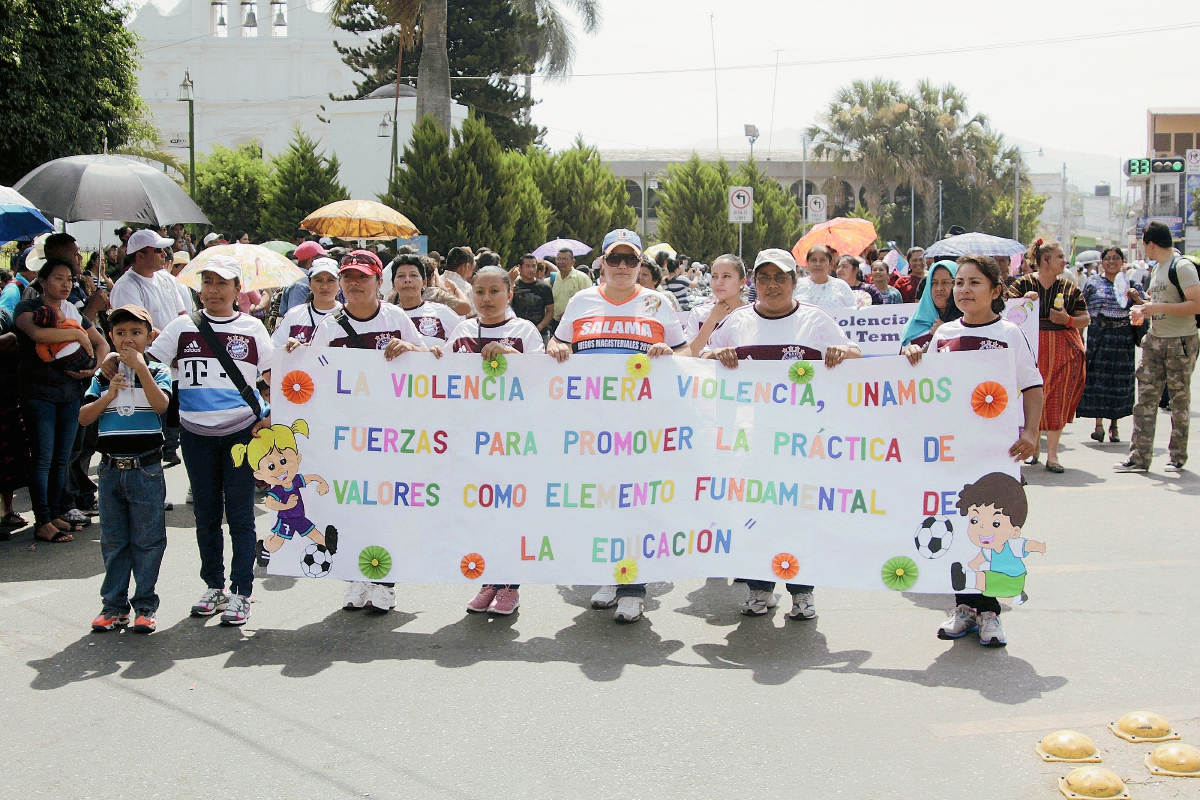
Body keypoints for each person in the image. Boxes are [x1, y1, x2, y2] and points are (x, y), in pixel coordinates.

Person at [701, 248, 861, 619]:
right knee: (757, 515)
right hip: (751, 441)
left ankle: (802, 594)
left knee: (799, 517)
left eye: (781, 278)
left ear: (794, 281)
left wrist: (841, 351)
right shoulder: (738, 321)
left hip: (802, 443)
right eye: (765, 278)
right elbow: (703, 359)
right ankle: (760, 590)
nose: (773, 285)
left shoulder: (814, 320)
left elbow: (854, 355)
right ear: (754, 282)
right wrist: (717, 358)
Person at [902, 254, 1044, 648]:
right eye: (958, 283)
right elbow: (927, 386)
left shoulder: (1010, 334)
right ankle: (964, 608)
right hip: (952, 452)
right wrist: (915, 356)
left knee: (993, 530)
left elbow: (1032, 385)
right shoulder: (943, 333)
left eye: (974, 283)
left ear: (996, 291)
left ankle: (991, 612)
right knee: (956, 527)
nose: (963, 290)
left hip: (997, 451)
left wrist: (1031, 432)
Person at [549, 228, 687, 623]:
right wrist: (557, 347)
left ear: (641, 265)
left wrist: (669, 353)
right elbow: (559, 344)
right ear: (602, 264)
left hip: (643, 427)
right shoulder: (581, 301)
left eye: (631, 259)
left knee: (636, 505)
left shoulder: (658, 304)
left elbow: (686, 352)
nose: (623, 267)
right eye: (615, 259)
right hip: (592, 426)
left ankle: (633, 587)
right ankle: (609, 576)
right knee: (603, 502)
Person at [143, 254, 273, 626]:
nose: (213, 291)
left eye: (222, 284)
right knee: (205, 516)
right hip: (195, 436)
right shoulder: (182, 326)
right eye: (208, 283)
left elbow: (275, 376)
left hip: (240, 434)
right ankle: (213, 586)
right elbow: (150, 363)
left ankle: (242, 592)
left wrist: (270, 415)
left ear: (237, 290)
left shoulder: (252, 328)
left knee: (241, 515)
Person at [305, 250, 426, 613]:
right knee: (350, 506)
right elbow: (313, 374)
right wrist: (296, 352)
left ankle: (384, 581)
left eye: (362, 277)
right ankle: (356, 576)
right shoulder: (328, 326)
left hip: (389, 433)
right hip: (348, 434)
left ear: (378, 282)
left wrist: (411, 347)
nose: (353, 284)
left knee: (384, 508)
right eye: (348, 277)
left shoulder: (396, 317)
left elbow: (430, 356)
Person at [442, 266, 545, 616]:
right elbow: (437, 373)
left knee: (511, 514)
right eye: (480, 292)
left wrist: (511, 355)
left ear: (509, 294)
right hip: (471, 440)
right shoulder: (463, 331)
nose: (486, 299)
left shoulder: (524, 331)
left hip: (514, 442)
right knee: (480, 513)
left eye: (494, 292)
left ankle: (510, 586)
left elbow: (543, 378)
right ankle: (488, 581)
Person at [81, 305, 172, 634]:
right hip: (109, 469)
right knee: (114, 540)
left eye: (136, 333)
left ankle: (145, 605)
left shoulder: (158, 370)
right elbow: (84, 416)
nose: (128, 339)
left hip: (146, 467)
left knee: (148, 541)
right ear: (111, 336)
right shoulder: (103, 373)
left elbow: (162, 405)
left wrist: (141, 370)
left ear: (148, 337)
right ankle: (113, 605)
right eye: (121, 333)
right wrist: (110, 393)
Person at [14, 260, 109, 544]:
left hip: (70, 394)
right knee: (42, 458)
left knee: (61, 458)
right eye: (58, 278)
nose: (66, 284)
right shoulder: (27, 309)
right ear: (43, 282)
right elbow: (38, 334)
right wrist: (78, 334)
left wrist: (93, 369)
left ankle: (55, 514)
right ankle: (42, 520)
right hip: (38, 393)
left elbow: (102, 344)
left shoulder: (73, 312)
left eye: (70, 279)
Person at [1116, 221, 1200, 473]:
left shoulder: (1181, 266)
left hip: (1180, 341)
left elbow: (1196, 304)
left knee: (1178, 401)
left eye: (1144, 245)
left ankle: (1177, 456)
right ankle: (1139, 457)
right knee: (1145, 400)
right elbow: (1161, 301)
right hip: (1155, 339)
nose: (1145, 250)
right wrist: (1143, 308)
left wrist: (1157, 308)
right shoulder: (1158, 268)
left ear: (1150, 243)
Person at [1008, 239, 1089, 473]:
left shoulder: (1070, 288)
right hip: (1029, 346)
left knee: (1058, 400)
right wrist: (1023, 302)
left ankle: (1053, 456)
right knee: (1030, 396)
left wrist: (1068, 321)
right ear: (1045, 261)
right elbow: (1005, 310)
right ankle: (1032, 448)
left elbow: (1086, 318)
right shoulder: (1022, 284)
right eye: (1060, 257)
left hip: (1061, 348)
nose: (1065, 261)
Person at [1079, 247, 1140, 444]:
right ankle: (1099, 426)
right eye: (1107, 258)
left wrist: (1136, 298)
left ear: (1122, 261)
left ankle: (1115, 426)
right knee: (1098, 381)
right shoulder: (1092, 283)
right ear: (1102, 262)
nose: (1111, 262)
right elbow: (1081, 306)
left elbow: (1143, 308)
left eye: (1116, 258)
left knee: (1118, 382)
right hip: (1099, 335)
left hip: (1122, 338)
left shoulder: (1130, 283)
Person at [109, 229, 186, 332]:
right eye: (158, 250)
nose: (164, 254)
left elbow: (182, 314)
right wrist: (171, 342)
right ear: (140, 256)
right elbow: (140, 329)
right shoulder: (125, 287)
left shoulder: (166, 278)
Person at [388, 255, 462, 349]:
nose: (407, 280)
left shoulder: (441, 312)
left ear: (424, 283)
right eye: (401, 276)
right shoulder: (387, 316)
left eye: (413, 275)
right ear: (393, 285)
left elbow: (465, 340)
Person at [686, 255, 747, 356]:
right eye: (714, 276)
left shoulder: (753, 314)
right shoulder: (699, 313)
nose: (718, 282)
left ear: (742, 281)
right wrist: (711, 320)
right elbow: (688, 354)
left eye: (726, 276)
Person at [272, 257, 341, 347]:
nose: (324, 286)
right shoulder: (294, 315)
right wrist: (288, 348)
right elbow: (273, 349)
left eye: (330, 280)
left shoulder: (348, 315)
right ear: (309, 283)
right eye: (319, 280)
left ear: (340, 283)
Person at [899, 260, 961, 349]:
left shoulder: (969, 323)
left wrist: (946, 334)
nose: (939, 288)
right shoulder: (913, 326)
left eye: (946, 282)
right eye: (934, 283)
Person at [793, 245, 855, 310]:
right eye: (813, 260)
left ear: (830, 264)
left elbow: (853, 313)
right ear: (807, 263)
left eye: (822, 260)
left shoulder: (841, 286)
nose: (818, 264)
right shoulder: (796, 286)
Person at [277, 240, 328, 317]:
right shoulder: (300, 284)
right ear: (312, 260)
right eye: (322, 258)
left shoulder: (303, 279)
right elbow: (296, 317)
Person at [511, 254, 555, 342]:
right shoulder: (514, 286)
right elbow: (507, 306)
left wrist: (540, 326)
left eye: (533, 266)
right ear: (520, 267)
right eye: (527, 266)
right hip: (517, 332)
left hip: (540, 333)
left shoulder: (544, 287)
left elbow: (550, 311)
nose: (531, 269)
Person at [550, 248, 592, 338]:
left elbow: (590, 301)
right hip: (556, 325)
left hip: (576, 324)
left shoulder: (582, 278)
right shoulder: (552, 279)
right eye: (558, 259)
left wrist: (569, 314)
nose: (560, 262)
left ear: (573, 261)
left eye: (564, 259)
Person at [443, 246, 477, 314]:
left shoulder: (437, 281)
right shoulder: (467, 288)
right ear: (462, 267)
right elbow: (472, 315)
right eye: (467, 266)